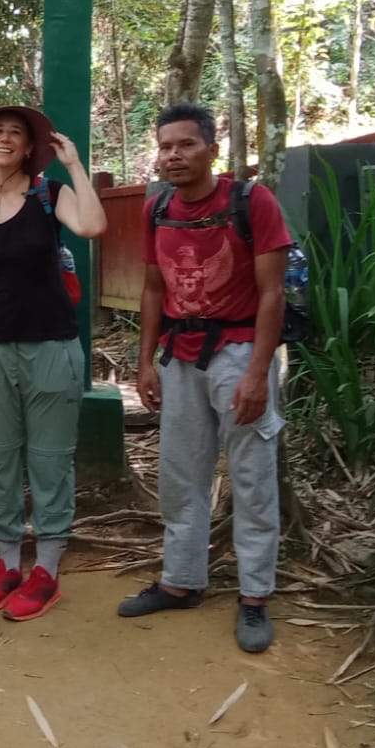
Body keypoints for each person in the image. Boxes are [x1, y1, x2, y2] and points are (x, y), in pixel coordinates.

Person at [117, 101, 290, 654]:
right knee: (180, 474)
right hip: (180, 356)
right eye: (165, 146)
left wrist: (258, 372)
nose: (174, 155)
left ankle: (255, 595)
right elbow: (152, 289)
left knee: (252, 477)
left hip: (239, 352)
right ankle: (181, 580)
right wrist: (145, 361)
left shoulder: (251, 202)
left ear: (212, 150)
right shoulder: (157, 208)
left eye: (186, 144)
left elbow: (272, 292)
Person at [0, 104, 106, 622]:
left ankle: (48, 570)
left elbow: (93, 226)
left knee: (50, 459)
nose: (6, 138)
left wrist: (74, 165)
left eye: (16, 132)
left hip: (51, 346)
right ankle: (9, 563)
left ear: (30, 146)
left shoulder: (49, 195)